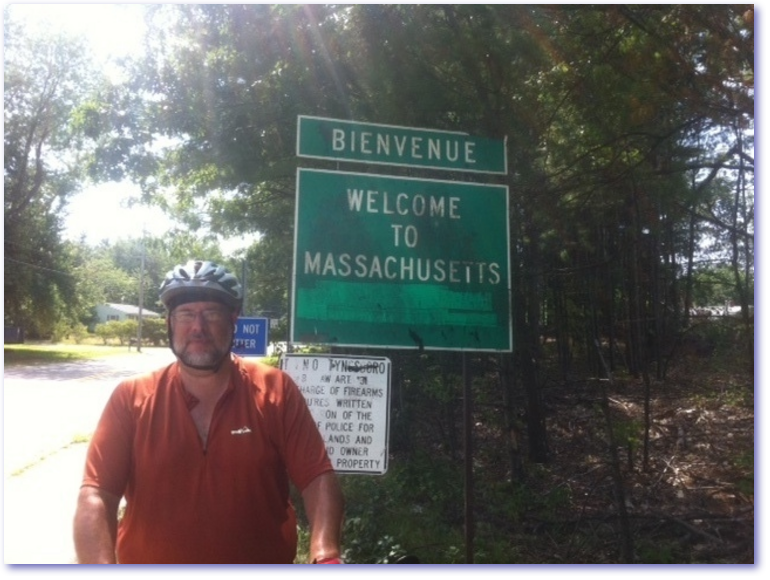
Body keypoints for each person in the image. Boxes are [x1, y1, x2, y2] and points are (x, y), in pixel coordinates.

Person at [73, 259, 344, 564]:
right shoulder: (131, 398)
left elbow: (317, 477)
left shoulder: (276, 390)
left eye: (211, 314)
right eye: (186, 314)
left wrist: (326, 554)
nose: (198, 328)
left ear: (233, 320)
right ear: (169, 322)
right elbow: (97, 494)